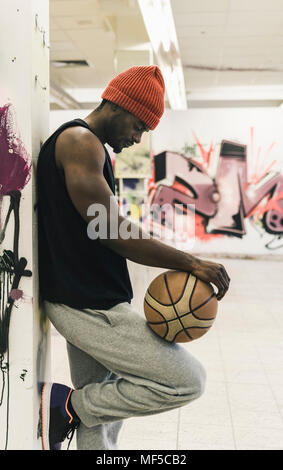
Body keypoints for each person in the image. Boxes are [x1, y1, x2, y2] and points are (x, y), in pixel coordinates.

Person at [36, 65, 230, 450]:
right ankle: (66, 406)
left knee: (102, 424)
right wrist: (190, 263)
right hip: (88, 305)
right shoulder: (79, 142)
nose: (138, 138)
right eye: (139, 126)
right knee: (187, 380)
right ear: (118, 105)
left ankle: (76, 410)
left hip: (94, 297)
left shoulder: (90, 147)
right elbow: (111, 230)